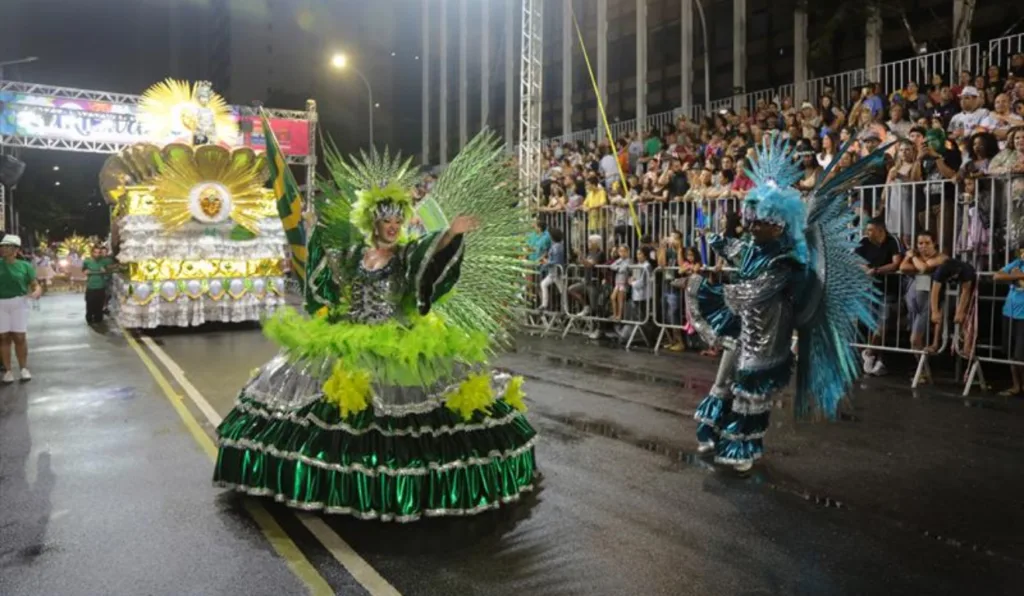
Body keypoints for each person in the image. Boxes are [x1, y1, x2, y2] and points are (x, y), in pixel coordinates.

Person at [213, 131, 537, 521]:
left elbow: (428, 257)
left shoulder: (406, 255)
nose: (394, 226)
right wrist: (311, 232)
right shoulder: (354, 255)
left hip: (398, 343)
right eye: (387, 220)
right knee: (330, 411)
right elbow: (324, 277)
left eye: (399, 220)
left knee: (405, 417)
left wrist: (450, 234)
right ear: (373, 222)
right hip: (348, 339)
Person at [690, 137, 880, 472]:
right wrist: (716, 239)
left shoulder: (785, 259)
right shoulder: (755, 246)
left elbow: (755, 291)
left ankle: (742, 447)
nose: (751, 226)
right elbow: (739, 252)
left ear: (778, 225)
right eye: (750, 219)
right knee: (722, 381)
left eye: (758, 221)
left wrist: (708, 292)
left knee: (750, 390)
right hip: (744, 327)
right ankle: (714, 430)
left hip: (767, 334)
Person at [856, 217, 904, 376]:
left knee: (882, 323)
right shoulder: (864, 241)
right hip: (868, 290)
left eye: (870, 230)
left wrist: (876, 270)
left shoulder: (892, 241)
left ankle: (871, 353)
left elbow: (896, 263)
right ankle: (874, 358)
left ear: (880, 230)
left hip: (888, 289)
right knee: (868, 322)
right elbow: (854, 259)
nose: (867, 233)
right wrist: (865, 268)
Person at [0, 235, 41, 382]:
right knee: (3, 337)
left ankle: (23, 368)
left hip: (19, 302)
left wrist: (37, 291)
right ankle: (8, 371)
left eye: (8, 246)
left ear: (16, 249)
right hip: (1, 303)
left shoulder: (25, 266)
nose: (3, 249)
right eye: (2, 246)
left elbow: (34, 284)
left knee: (19, 337)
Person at [82, 245, 112, 324]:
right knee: (90, 303)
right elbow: (83, 269)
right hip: (91, 286)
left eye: (99, 252)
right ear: (92, 252)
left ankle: (98, 318)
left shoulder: (105, 261)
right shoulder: (87, 261)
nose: (97, 254)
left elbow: (111, 270)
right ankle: (89, 318)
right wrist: (85, 271)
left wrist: (105, 271)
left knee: (99, 304)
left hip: (100, 286)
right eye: (95, 252)